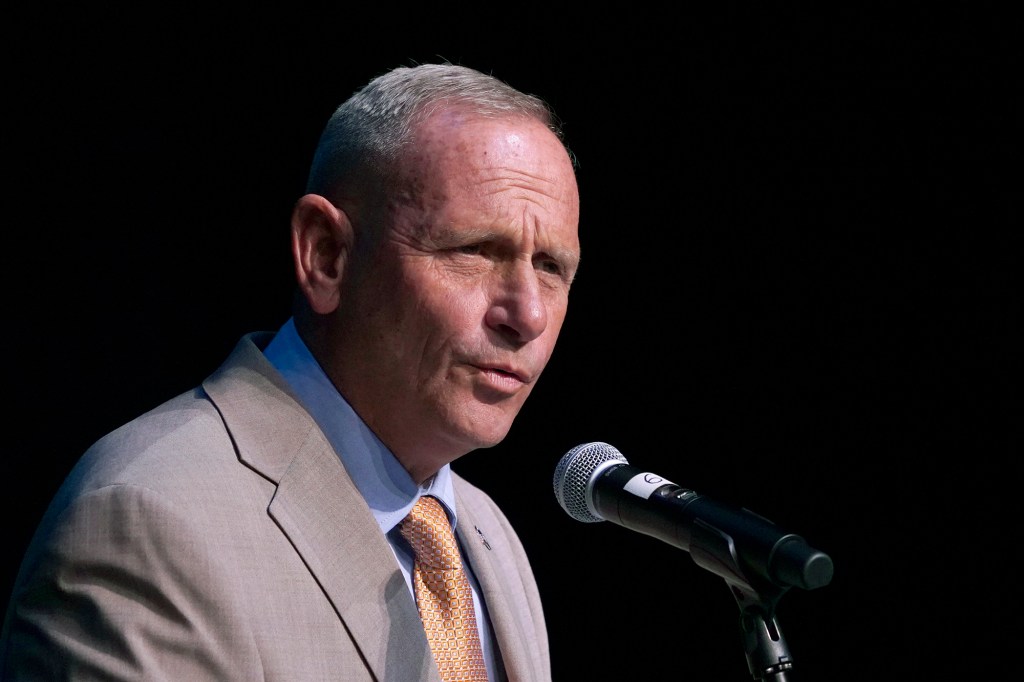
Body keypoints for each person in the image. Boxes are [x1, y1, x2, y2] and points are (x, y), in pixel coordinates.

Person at [0, 61, 581, 681]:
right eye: (474, 250)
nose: (528, 313)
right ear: (326, 256)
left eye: (551, 266)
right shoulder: (149, 521)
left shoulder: (489, 537)